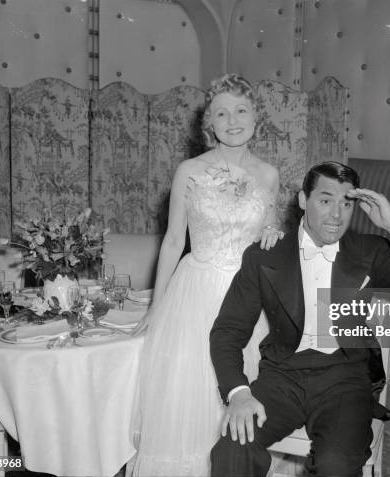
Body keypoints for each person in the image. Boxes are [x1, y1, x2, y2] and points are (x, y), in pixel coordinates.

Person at [209, 161, 390, 476]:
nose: (337, 214)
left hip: (345, 378)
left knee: (335, 465)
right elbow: (228, 331)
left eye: (347, 203)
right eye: (325, 201)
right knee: (234, 445)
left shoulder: (371, 251)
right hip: (281, 377)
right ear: (302, 201)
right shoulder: (265, 255)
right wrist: (239, 393)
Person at [130, 74, 283, 476]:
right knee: (189, 402)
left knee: (242, 402)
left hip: (249, 298)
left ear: (255, 118)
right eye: (221, 112)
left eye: (241, 110)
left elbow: (270, 239)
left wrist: (274, 235)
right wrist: (156, 307)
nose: (232, 120)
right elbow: (172, 240)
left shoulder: (269, 175)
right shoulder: (189, 171)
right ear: (209, 124)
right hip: (194, 295)